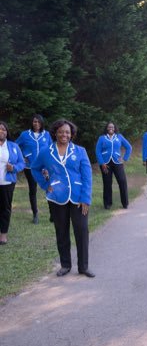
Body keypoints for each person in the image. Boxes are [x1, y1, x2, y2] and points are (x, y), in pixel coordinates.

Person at [31, 119, 95, 277]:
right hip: (56, 197)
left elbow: (87, 176)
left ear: (71, 134)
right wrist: (46, 185)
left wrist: (86, 198)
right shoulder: (46, 152)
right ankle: (65, 265)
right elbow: (34, 168)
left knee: (81, 230)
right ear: (55, 133)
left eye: (67, 132)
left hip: (78, 197)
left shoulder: (80, 151)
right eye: (61, 131)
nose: (64, 134)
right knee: (61, 231)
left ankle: (83, 267)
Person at [15, 114, 52, 224]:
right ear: (32, 122)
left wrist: (48, 166)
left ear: (42, 123)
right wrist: (22, 156)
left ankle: (52, 213)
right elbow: (15, 146)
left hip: (44, 168)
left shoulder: (47, 135)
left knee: (49, 189)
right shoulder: (25, 134)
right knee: (33, 190)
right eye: (34, 122)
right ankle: (35, 214)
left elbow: (51, 150)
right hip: (30, 167)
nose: (36, 124)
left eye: (39, 122)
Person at [95, 122, 132, 209]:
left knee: (122, 181)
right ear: (107, 128)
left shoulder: (119, 137)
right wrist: (102, 163)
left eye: (112, 127)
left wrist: (124, 158)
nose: (111, 128)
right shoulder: (102, 138)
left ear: (115, 128)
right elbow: (98, 151)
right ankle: (107, 204)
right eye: (109, 127)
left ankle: (125, 203)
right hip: (105, 163)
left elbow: (129, 147)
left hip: (118, 162)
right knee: (107, 183)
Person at [0, 121, 25, 245]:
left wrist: (14, 168)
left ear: (7, 132)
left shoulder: (13, 146)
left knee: (5, 208)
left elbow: (22, 163)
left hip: (7, 183)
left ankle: (3, 234)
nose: (1, 131)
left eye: (3, 129)